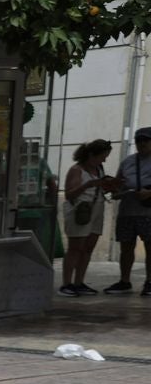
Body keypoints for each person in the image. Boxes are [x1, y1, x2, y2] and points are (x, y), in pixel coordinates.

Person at [59, 139, 115, 296]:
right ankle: (66, 283)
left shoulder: (99, 169)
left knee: (88, 248)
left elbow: (102, 187)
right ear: (91, 155)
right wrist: (89, 185)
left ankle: (79, 282)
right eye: (102, 156)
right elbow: (70, 194)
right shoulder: (76, 170)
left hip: (97, 208)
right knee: (75, 247)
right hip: (80, 210)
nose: (104, 160)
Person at [106, 127, 150, 295]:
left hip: (148, 213)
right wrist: (114, 189)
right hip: (127, 211)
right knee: (126, 248)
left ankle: (149, 282)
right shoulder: (127, 162)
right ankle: (124, 281)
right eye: (139, 141)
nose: (142, 144)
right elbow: (118, 185)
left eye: (146, 140)